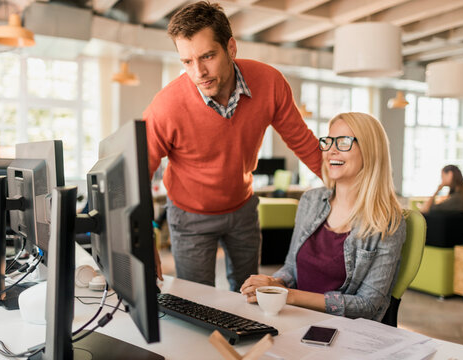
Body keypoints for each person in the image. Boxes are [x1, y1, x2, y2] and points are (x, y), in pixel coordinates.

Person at [143, 1, 322, 291]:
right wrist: (145, 237)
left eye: (207, 56)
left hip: (242, 209)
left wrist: (352, 191)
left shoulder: (270, 83)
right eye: (187, 62)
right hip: (189, 215)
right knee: (196, 302)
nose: (198, 72)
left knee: (249, 297)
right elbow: (138, 172)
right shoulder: (167, 105)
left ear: (231, 48)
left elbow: (303, 142)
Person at [240, 112, 406, 321]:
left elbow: (368, 304)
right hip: (293, 317)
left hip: (343, 332)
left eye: (344, 142)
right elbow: (292, 267)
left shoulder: (387, 220)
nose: (331, 151)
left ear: (370, 151)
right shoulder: (310, 200)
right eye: (328, 141)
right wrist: (274, 284)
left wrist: (290, 295)